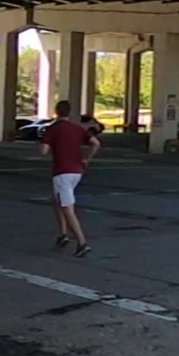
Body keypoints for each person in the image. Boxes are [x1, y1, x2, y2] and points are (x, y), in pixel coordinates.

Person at [38, 105, 100, 252]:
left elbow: (43, 151)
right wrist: (87, 159)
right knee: (58, 201)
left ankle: (82, 243)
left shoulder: (53, 129)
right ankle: (62, 234)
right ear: (69, 113)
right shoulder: (77, 128)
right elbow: (96, 143)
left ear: (56, 112)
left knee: (67, 207)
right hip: (77, 171)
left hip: (62, 172)